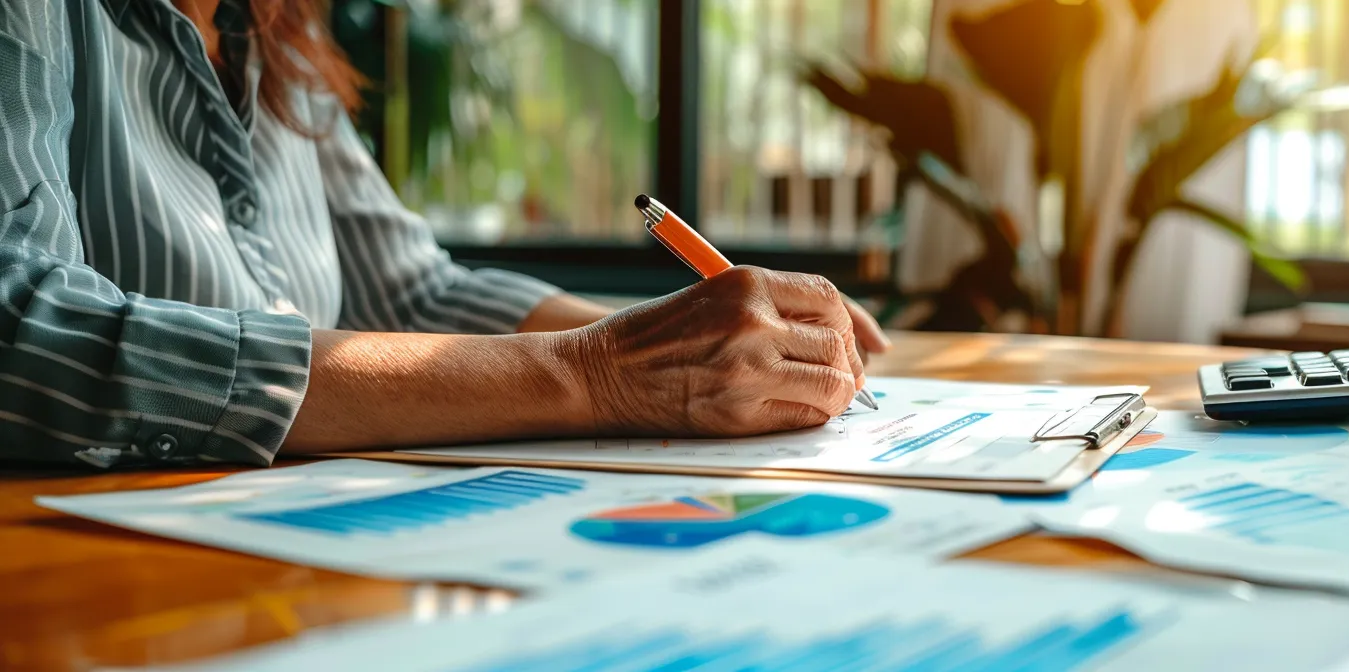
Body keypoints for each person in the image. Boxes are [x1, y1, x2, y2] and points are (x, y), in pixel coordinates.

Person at [0, 0, 890, 469]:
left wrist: (716, 341)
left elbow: (411, 286)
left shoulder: (276, 36)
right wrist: (596, 372)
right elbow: (23, 329)